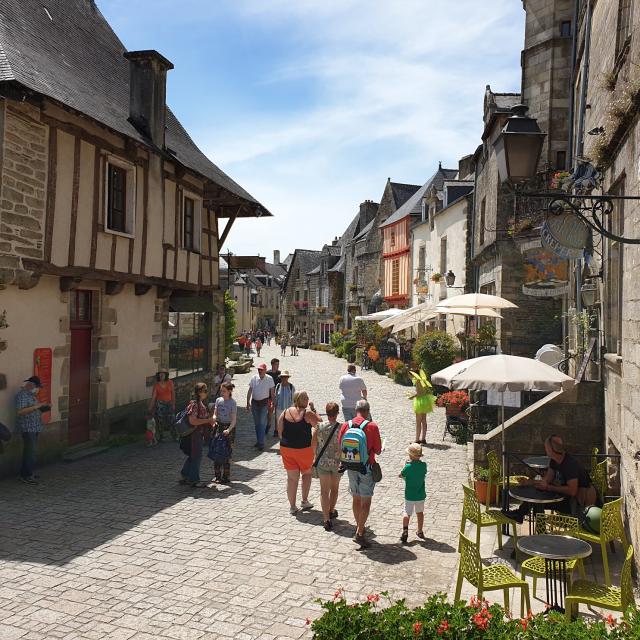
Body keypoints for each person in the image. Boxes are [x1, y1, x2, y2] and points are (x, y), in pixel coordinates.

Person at [503, 434, 599, 523]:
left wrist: (548, 487)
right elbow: (546, 480)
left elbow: (572, 491)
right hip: (568, 498)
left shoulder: (570, 464)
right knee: (537, 497)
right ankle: (524, 517)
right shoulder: (554, 461)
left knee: (538, 502)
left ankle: (525, 519)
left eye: (546, 447)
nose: (545, 449)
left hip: (578, 503)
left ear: (551, 449)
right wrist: (529, 482)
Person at [338, 399, 382, 549]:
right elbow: (378, 450)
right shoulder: (372, 426)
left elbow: (340, 446)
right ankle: (360, 532)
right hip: (366, 468)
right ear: (367, 411)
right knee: (366, 501)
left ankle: (359, 527)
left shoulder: (346, 425)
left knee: (356, 498)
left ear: (356, 410)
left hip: (351, 467)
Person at [278, 390, 321, 514]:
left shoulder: (285, 412)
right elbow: (320, 425)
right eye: (305, 398)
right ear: (300, 400)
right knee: (307, 474)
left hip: (286, 449)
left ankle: (292, 506)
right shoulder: (307, 413)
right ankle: (304, 501)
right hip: (304, 449)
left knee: (292, 479)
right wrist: (314, 410)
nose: (307, 399)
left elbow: (280, 431)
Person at [315, 402, 343, 531]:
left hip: (323, 462)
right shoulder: (342, 428)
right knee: (335, 489)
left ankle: (326, 519)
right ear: (337, 413)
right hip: (337, 463)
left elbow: (313, 443)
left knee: (324, 491)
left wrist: (314, 457)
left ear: (326, 413)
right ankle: (331, 510)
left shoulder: (319, 426)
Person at [180, 382, 215, 488]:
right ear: (199, 392)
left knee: (193, 455)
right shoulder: (195, 405)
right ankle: (194, 480)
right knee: (196, 456)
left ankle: (185, 474)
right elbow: (193, 421)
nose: (206, 393)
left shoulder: (199, 403)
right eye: (205, 391)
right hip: (194, 435)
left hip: (197, 434)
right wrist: (208, 420)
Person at [15, 376, 47, 484]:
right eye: (37, 387)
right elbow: (20, 411)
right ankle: (26, 476)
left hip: (35, 426)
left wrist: (43, 407)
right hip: (28, 428)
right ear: (31, 385)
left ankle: (27, 473)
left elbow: (34, 408)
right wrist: (36, 407)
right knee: (30, 453)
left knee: (29, 452)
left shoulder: (31, 395)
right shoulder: (22, 395)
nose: (38, 389)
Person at [399, 443, 428, 544]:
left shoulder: (408, 466)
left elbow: (401, 475)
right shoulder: (424, 465)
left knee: (407, 513)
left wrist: (405, 465)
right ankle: (420, 531)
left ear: (410, 455)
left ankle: (405, 530)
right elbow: (423, 472)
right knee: (420, 513)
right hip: (420, 495)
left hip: (409, 495)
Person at [210, 382, 237, 483]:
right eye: (221, 391)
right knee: (217, 451)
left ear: (229, 391)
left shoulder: (232, 403)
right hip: (219, 427)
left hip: (229, 428)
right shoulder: (218, 400)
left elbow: (234, 420)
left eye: (224, 391)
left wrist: (228, 430)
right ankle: (217, 476)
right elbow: (215, 414)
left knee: (227, 453)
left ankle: (226, 476)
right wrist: (214, 419)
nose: (222, 393)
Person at [246, 363, 275, 450]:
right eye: (259, 369)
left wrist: (273, 403)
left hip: (264, 403)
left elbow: (272, 393)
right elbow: (250, 390)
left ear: (265, 370)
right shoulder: (254, 378)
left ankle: (261, 443)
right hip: (255, 403)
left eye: (261, 369)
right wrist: (247, 402)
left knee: (262, 423)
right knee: (257, 424)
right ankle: (259, 440)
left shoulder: (269, 379)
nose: (260, 371)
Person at [408, 369, 435, 445]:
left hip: (420, 402)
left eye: (410, 375)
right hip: (425, 401)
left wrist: (412, 396)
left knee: (418, 422)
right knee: (424, 421)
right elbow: (425, 391)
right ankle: (423, 439)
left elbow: (419, 393)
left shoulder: (417, 381)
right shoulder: (423, 380)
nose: (409, 377)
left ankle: (417, 440)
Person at [148, 369, 175, 440]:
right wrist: (150, 408)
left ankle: (175, 436)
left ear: (166, 375)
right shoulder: (156, 385)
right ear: (158, 375)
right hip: (160, 404)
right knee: (160, 421)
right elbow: (153, 397)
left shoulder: (170, 382)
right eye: (160, 373)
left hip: (169, 403)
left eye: (163, 373)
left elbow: (173, 393)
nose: (162, 375)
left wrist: (173, 404)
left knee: (172, 420)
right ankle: (161, 437)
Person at [273, 371, 295, 438]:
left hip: (288, 410)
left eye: (285, 377)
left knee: (288, 425)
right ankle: (281, 437)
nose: (284, 378)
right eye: (282, 377)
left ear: (288, 378)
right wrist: (274, 407)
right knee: (280, 425)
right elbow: (276, 398)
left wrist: (294, 410)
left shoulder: (291, 387)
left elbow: (294, 399)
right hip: (279, 409)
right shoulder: (278, 386)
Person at [266, 358, 282, 435]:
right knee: (270, 412)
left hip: (278, 396)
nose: (277, 366)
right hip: (269, 396)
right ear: (272, 364)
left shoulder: (280, 373)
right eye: (276, 364)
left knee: (277, 413)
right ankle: (268, 424)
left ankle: (276, 430)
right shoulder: (268, 373)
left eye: (278, 364)